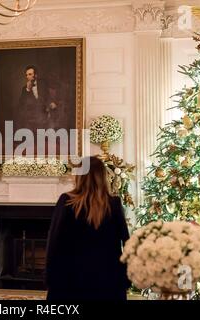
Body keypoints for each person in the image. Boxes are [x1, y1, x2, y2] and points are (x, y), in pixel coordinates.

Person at [45, 156, 131, 300]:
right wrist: (126, 278)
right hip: (108, 279)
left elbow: (54, 243)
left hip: (72, 279)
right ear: (103, 176)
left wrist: (51, 279)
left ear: (79, 176)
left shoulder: (66, 201)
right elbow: (127, 242)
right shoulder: (114, 203)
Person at [16, 65, 60, 132]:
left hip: (43, 112)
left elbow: (47, 96)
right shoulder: (24, 89)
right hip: (31, 115)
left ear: (35, 75)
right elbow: (22, 104)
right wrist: (28, 89)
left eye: (30, 74)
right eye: (26, 75)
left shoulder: (43, 83)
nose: (28, 77)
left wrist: (51, 102)